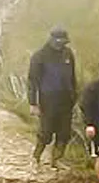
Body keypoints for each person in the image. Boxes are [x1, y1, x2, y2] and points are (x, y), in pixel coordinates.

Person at [28, 26, 77, 167]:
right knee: (46, 132)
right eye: (58, 40)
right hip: (47, 101)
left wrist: (74, 95)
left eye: (63, 41)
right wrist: (33, 103)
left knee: (64, 133)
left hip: (66, 101)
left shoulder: (68, 54)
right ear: (51, 39)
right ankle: (36, 157)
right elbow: (32, 81)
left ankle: (56, 160)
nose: (60, 43)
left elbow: (72, 77)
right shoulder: (39, 56)